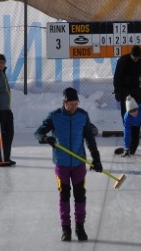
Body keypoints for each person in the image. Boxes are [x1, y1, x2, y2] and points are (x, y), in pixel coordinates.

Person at [34, 87, 103, 242]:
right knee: (64, 196)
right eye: (70, 104)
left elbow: (90, 139)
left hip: (79, 163)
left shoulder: (82, 116)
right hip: (62, 164)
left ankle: (80, 227)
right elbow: (38, 132)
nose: (73, 107)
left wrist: (96, 159)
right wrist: (45, 139)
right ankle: (66, 229)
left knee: (80, 196)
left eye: (75, 104)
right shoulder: (55, 116)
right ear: (63, 103)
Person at [114, 45, 141, 154]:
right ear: (131, 55)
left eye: (138, 58)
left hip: (135, 89)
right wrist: (118, 91)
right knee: (127, 116)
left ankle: (135, 145)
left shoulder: (140, 61)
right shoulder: (123, 60)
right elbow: (117, 76)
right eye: (135, 57)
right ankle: (129, 144)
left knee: (138, 114)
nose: (136, 59)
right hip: (125, 90)